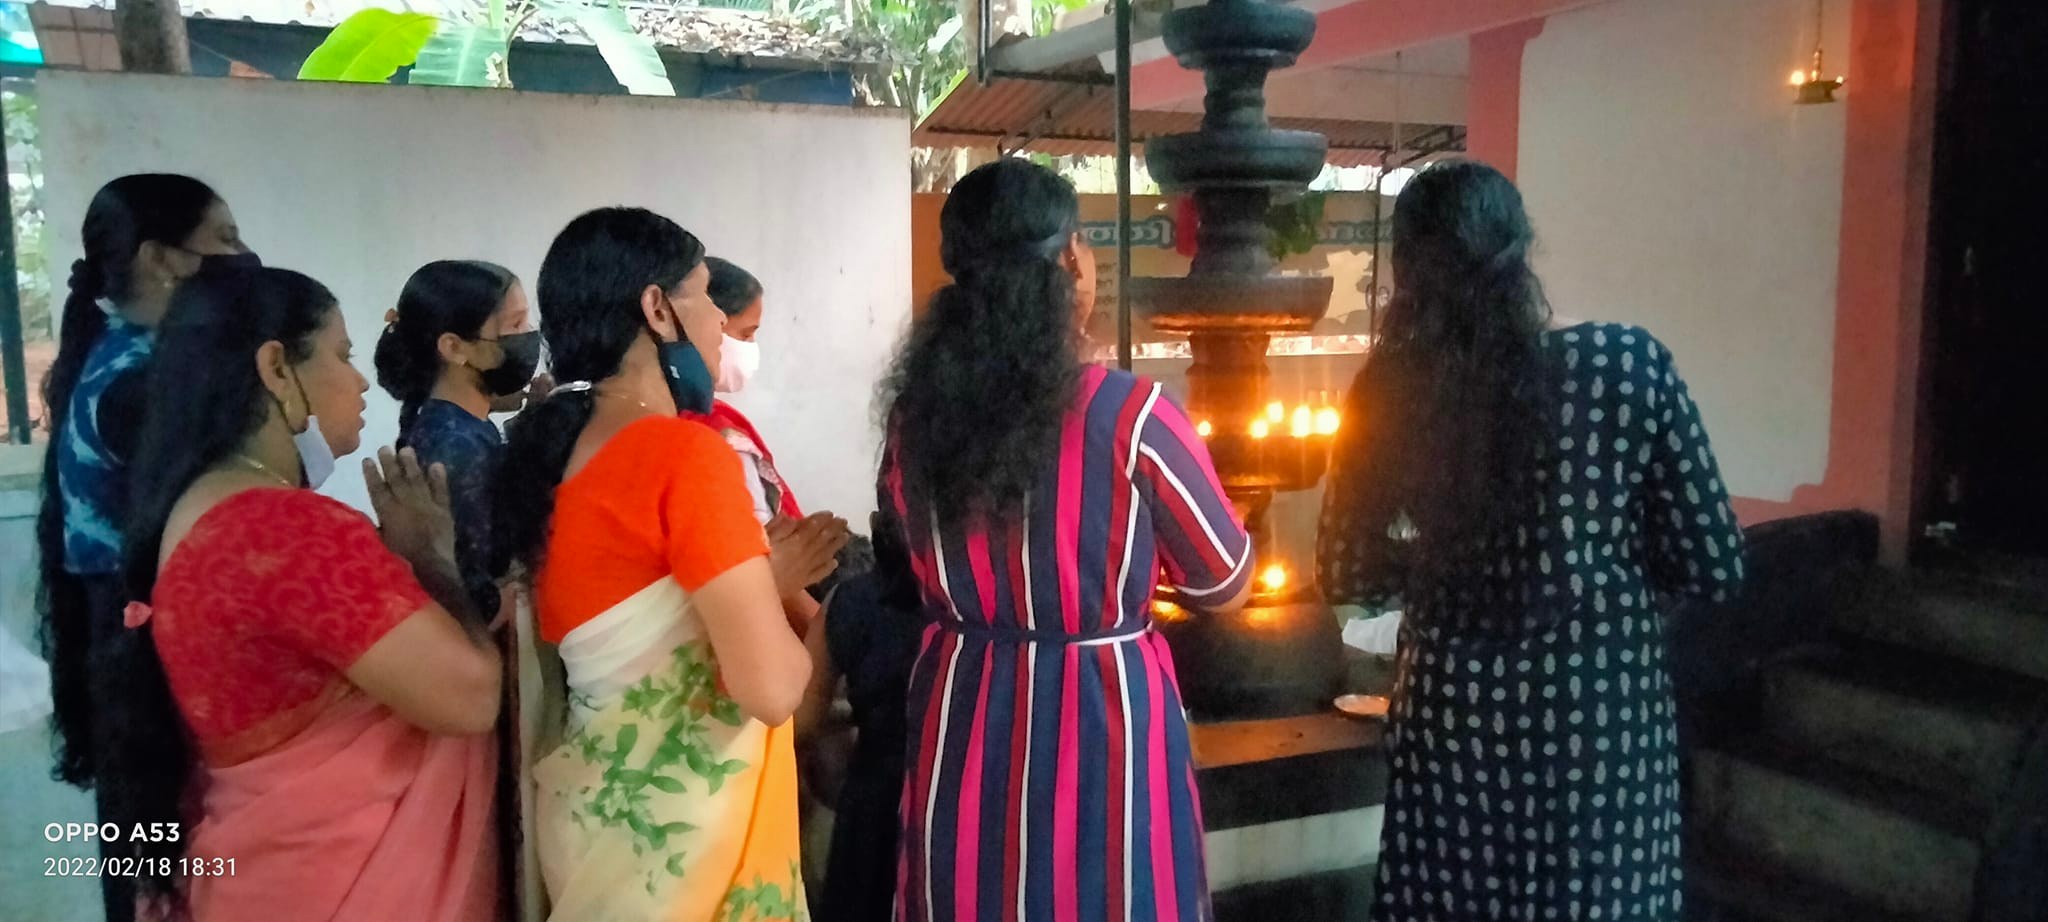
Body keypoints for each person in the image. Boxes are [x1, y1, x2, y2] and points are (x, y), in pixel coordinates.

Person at [1315, 160, 1746, 922]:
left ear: (1405, 271)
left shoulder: (1390, 392)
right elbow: (1715, 563)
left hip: (1453, 723)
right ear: (1521, 249)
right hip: (1601, 721)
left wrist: (1439, 566)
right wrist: (1606, 571)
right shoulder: (1626, 366)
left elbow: (1349, 568)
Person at [876, 158, 1253, 922]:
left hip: (967, 699)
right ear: (1070, 261)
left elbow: (906, 552)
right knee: (1113, 889)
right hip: (1102, 711)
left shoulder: (915, 421)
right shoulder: (1133, 415)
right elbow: (1225, 581)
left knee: (971, 888)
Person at [107, 264, 502, 921]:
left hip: (264, 874)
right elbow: (470, 698)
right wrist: (430, 562)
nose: (360, 380)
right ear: (276, 369)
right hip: (346, 881)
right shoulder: (283, 530)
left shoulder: (195, 509)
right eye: (342, 356)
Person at [493, 207, 810, 920]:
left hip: (593, 831)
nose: (720, 328)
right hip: (685, 847)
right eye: (705, 298)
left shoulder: (559, 458)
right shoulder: (686, 456)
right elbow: (771, 689)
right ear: (658, 308)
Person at [33, 173, 247, 922]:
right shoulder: (144, 381)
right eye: (223, 240)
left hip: (123, 626)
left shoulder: (119, 357)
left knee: (143, 851)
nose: (241, 257)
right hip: (144, 639)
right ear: (162, 258)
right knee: (162, 861)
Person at [374, 259, 542, 620]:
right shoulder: (455, 448)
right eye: (515, 324)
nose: (528, 335)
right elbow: (468, 588)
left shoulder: (458, 425)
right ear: (454, 348)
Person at [697, 256, 850, 629]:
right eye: (745, 334)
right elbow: (766, 570)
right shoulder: (711, 441)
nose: (751, 348)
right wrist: (828, 643)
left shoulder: (714, 419)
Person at [793, 511, 922, 922]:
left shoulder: (853, 599)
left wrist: (853, 714)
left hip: (875, 805)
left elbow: (799, 719)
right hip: (959, 794)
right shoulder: (986, 611)